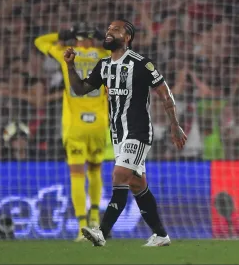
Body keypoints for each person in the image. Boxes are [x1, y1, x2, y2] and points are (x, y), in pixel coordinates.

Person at [64, 19, 187, 247]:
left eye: (116, 29)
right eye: (109, 29)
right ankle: (161, 235)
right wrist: (70, 66)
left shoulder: (141, 64)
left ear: (127, 37)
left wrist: (174, 124)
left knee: (119, 175)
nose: (109, 32)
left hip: (138, 131)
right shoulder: (104, 66)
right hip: (118, 135)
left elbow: (164, 94)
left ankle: (102, 232)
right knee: (137, 184)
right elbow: (80, 89)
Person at [34, 22, 109, 242]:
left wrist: (60, 34)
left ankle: (82, 228)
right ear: (92, 38)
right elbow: (125, 47)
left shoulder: (66, 53)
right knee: (95, 171)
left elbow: (39, 42)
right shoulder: (105, 54)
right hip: (98, 124)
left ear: (75, 38)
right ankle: (95, 219)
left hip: (75, 125)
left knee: (76, 174)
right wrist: (103, 36)